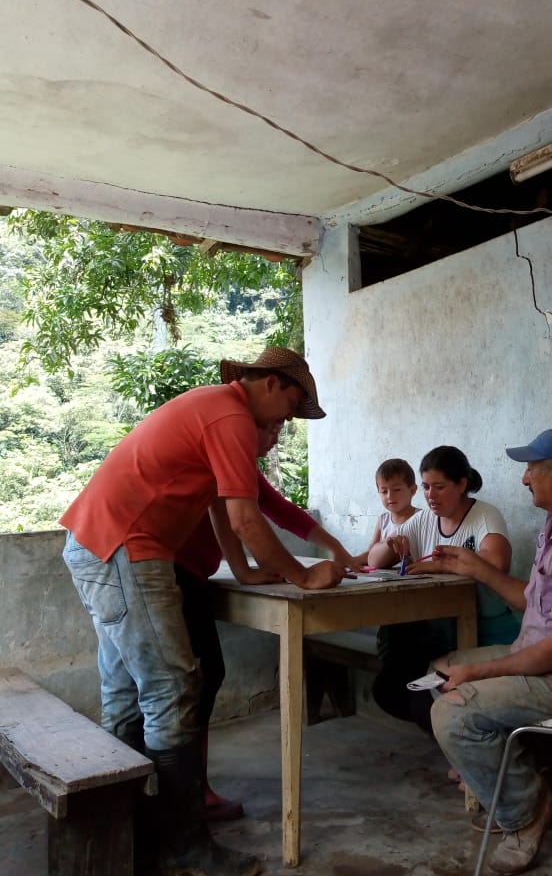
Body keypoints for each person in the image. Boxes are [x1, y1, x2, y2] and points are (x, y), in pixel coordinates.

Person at [60, 347, 351, 876]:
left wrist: (247, 570)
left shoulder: (214, 409)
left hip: (100, 544)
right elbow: (245, 518)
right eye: (290, 407)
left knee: (128, 698)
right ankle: (186, 848)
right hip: (129, 548)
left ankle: (134, 838)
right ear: (270, 384)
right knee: (173, 690)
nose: (286, 421)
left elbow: (228, 507)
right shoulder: (231, 415)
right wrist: (304, 575)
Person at [420, 428, 552, 876]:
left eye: (530, 470)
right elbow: (533, 603)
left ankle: (525, 813)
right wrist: (478, 570)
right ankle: (513, 780)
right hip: (542, 658)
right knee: (441, 668)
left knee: (451, 712)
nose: (524, 480)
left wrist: (483, 673)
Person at [175, 419, 359, 823]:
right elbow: (228, 516)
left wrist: (336, 548)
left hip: (189, 573)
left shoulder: (243, 468)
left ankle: (190, 790)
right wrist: (253, 570)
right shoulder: (227, 454)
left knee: (201, 677)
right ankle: (187, 796)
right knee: (195, 679)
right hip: (174, 570)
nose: (275, 438)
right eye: (271, 429)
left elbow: (281, 510)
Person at [368, 445, 519, 723]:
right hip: (440, 633)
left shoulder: (484, 515)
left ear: (462, 484)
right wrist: (391, 543)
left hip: (488, 631)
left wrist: (441, 564)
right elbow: (375, 559)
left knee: (424, 700)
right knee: (392, 686)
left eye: (438, 486)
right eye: (425, 487)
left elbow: (498, 563)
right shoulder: (424, 519)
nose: (430, 495)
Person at [359, 457, 419, 562]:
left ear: (412, 490)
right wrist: (351, 561)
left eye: (396, 490)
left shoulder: (420, 518)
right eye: (384, 491)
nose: (389, 496)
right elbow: (370, 553)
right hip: (383, 575)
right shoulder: (383, 520)